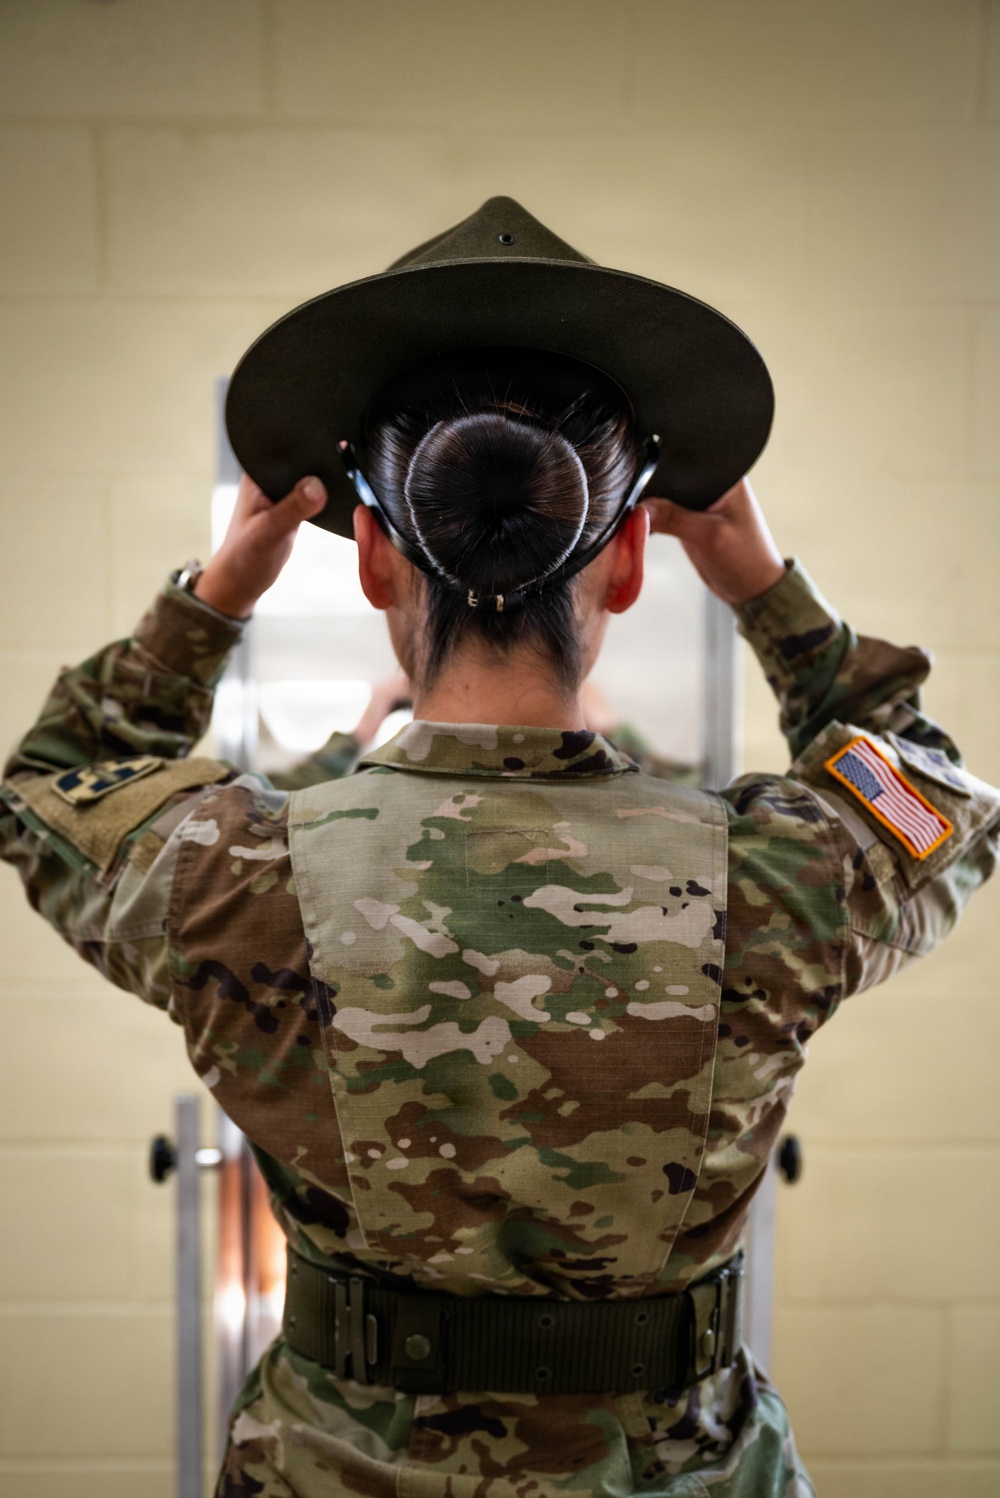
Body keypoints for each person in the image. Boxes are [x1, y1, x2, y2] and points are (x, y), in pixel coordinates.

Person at [3, 201, 999, 1498]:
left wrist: (217, 594)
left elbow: (50, 786)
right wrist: (766, 586)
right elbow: (935, 789)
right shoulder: (773, 878)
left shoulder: (235, 876)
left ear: (370, 558)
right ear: (632, 557)